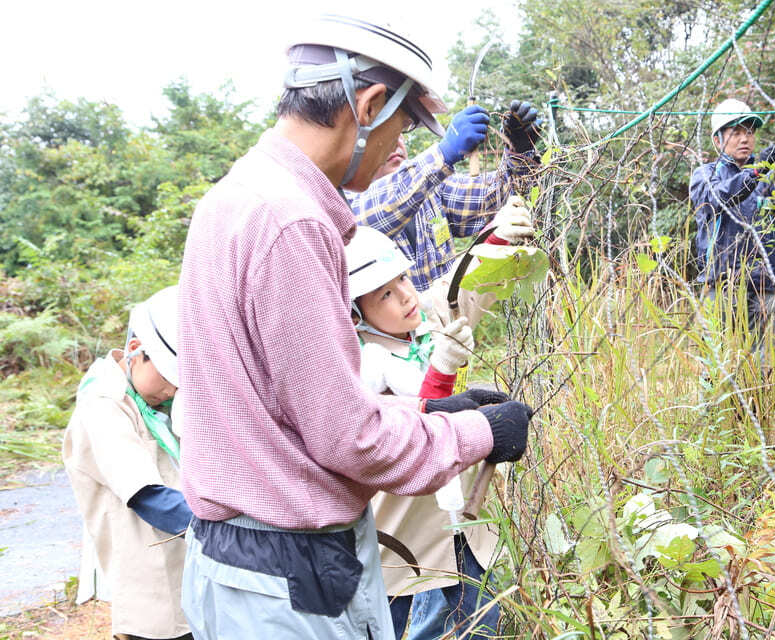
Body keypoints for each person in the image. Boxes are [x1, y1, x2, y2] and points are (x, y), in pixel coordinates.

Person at [176, 13, 532, 640]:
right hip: (289, 578)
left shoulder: (238, 194)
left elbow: (287, 406)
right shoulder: (293, 220)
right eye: (403, 125)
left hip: (243, 561)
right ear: (367, 106)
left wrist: (430, 415)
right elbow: (350, 441)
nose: (401, 143)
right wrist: (479, 432)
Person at [346, 198, 533, 639]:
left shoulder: (421, 322)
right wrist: (444, 367)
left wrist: (496, 238)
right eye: (384, 294)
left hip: (455, 512)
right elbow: (419, 422)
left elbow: (462, 289)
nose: (405, 296)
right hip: (401, 526)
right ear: (355, 313)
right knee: (396, 617)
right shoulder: (363, 363)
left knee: (478, 613)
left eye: (402, 279)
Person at [62, 285, 192, 640]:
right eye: (169, 377)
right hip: (152, 589)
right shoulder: (103, 405)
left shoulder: (153, 402)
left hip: (188, 571)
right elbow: (148, 496)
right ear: (136, 350)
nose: (173, 390)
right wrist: (227, 530)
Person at [349, 100, 541, 291]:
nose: (395, 144)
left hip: (448, 311)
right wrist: (444, 152)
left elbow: (498, 197)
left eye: (398, 133)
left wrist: (519, 152)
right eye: (381, 133)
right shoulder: (346, 203)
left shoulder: (433, 189)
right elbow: (370, 217)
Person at [689, 98, 775, 341]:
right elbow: (718, 198)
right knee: (717, 357)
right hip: (721, 284)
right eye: (736, 133)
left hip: (763, 286)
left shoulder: (767, 178)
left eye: (749, 132)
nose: (745, 139)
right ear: (717, 140)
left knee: (762, 358)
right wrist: (756, 171)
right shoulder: (705, 175)